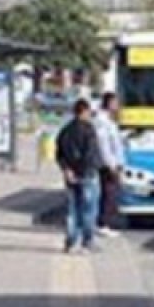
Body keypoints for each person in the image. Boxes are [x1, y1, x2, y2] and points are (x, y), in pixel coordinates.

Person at [55, 99, 103, 255]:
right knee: (88, 209)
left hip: (70, 175)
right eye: (89, 112)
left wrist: (67, 169)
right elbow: (90, 154)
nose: (90, 115)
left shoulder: (65, 130)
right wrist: (83, 171)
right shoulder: (89, 130)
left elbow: (59, 154)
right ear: (84, 112)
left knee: (72, 210)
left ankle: (70, 242)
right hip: (87, 174)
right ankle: (87, 242)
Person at [93, 92, 125, 237]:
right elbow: (103, 145)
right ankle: (103, 224)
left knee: (112, 194)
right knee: (109, 194)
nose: (118, 106)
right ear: (109, 103)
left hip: (113, 163)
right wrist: (111, 165)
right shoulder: (102, 121)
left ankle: (106, 223)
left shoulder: (110, 120)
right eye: (115, 103)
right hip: (108, 165)